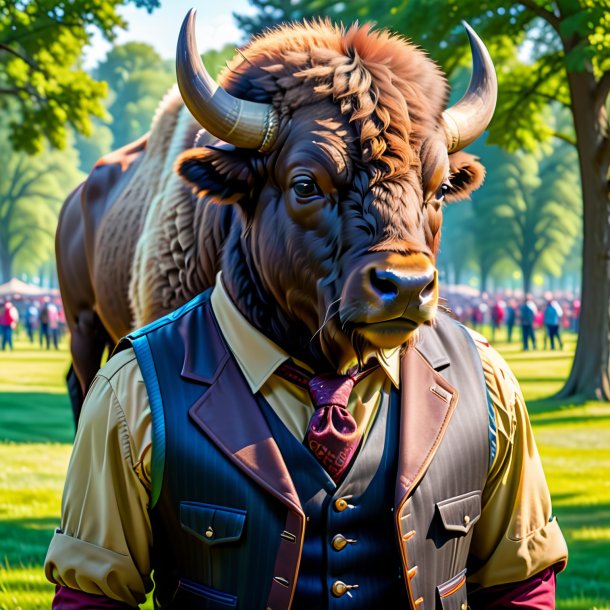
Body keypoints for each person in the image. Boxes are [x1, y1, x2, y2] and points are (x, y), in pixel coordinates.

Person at [44, 13, 567, 610]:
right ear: (237, 186)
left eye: (429, 190)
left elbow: (523, 586)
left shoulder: (486, 385)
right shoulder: (139, 391)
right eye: (308, 187)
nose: (403, 259)